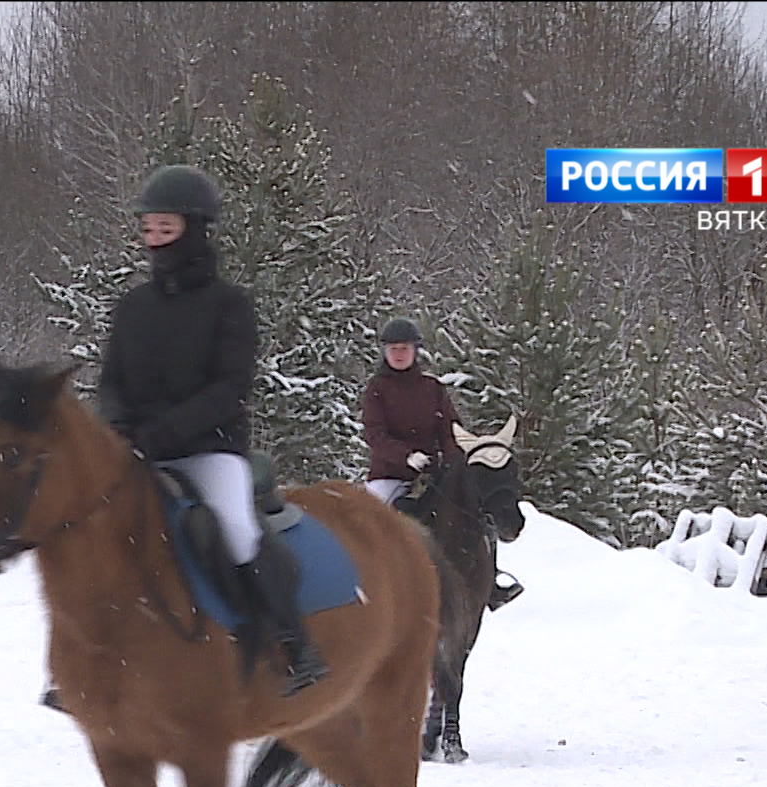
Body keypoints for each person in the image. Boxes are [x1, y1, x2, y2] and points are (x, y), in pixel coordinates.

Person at [94, 164, 328, 698]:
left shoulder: (229, 305)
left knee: (238, 532)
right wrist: (118, 430)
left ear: (195, 230)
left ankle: (293, 645)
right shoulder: (133, 308)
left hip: (209, 450)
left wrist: (162, 433)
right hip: (137, 453)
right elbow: (112, 383)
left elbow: (229, 389)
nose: (153, 240)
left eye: (165, 229)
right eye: (147, 230)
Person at [361, 317, 521, 609]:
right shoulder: (377, 389)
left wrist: (451, 460)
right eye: (393, 349)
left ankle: (490, 582)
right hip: (390, 476)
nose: (399, 354)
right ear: (385, 352)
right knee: (372, 522)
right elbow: (374, 434)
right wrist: (406, 456)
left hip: (435, 472)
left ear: (415, 351)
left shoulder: (432, 387)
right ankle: (371, 584)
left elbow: (451, 428)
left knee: (477, 513)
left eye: (405, 349)